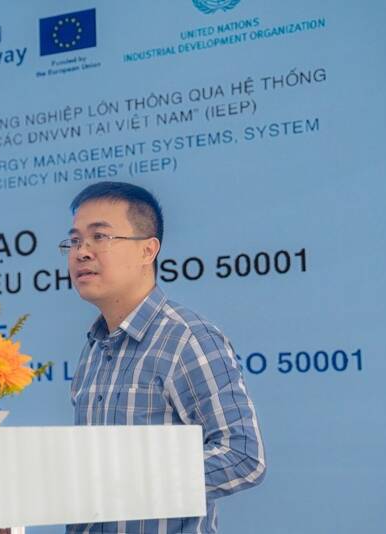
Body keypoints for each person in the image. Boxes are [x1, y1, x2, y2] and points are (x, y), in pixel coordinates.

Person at [63, 181, 266, 534]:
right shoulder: (95, 347)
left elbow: (243, 456)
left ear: (148, 250)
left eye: (100, 237)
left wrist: (133, 483)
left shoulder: (186, 339)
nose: (82, 252)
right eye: (75, 240)